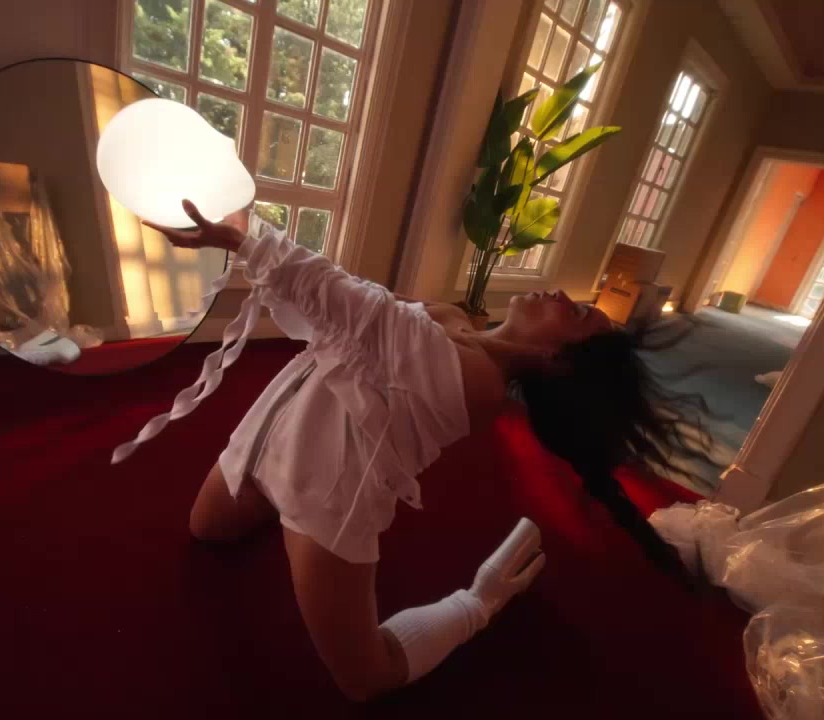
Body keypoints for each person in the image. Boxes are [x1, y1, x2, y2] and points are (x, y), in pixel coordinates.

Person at [117, 200, 711, 701]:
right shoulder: (454, 319)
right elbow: (365, 304)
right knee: (205, 529)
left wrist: (243, 234)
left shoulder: (477, 383)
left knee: (363, 676)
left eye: (576, 312)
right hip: (266, 442)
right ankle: (271, 496)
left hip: (327, 503)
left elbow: (353, 305)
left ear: (559, 362)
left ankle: (478, 602)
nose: (562, 292)